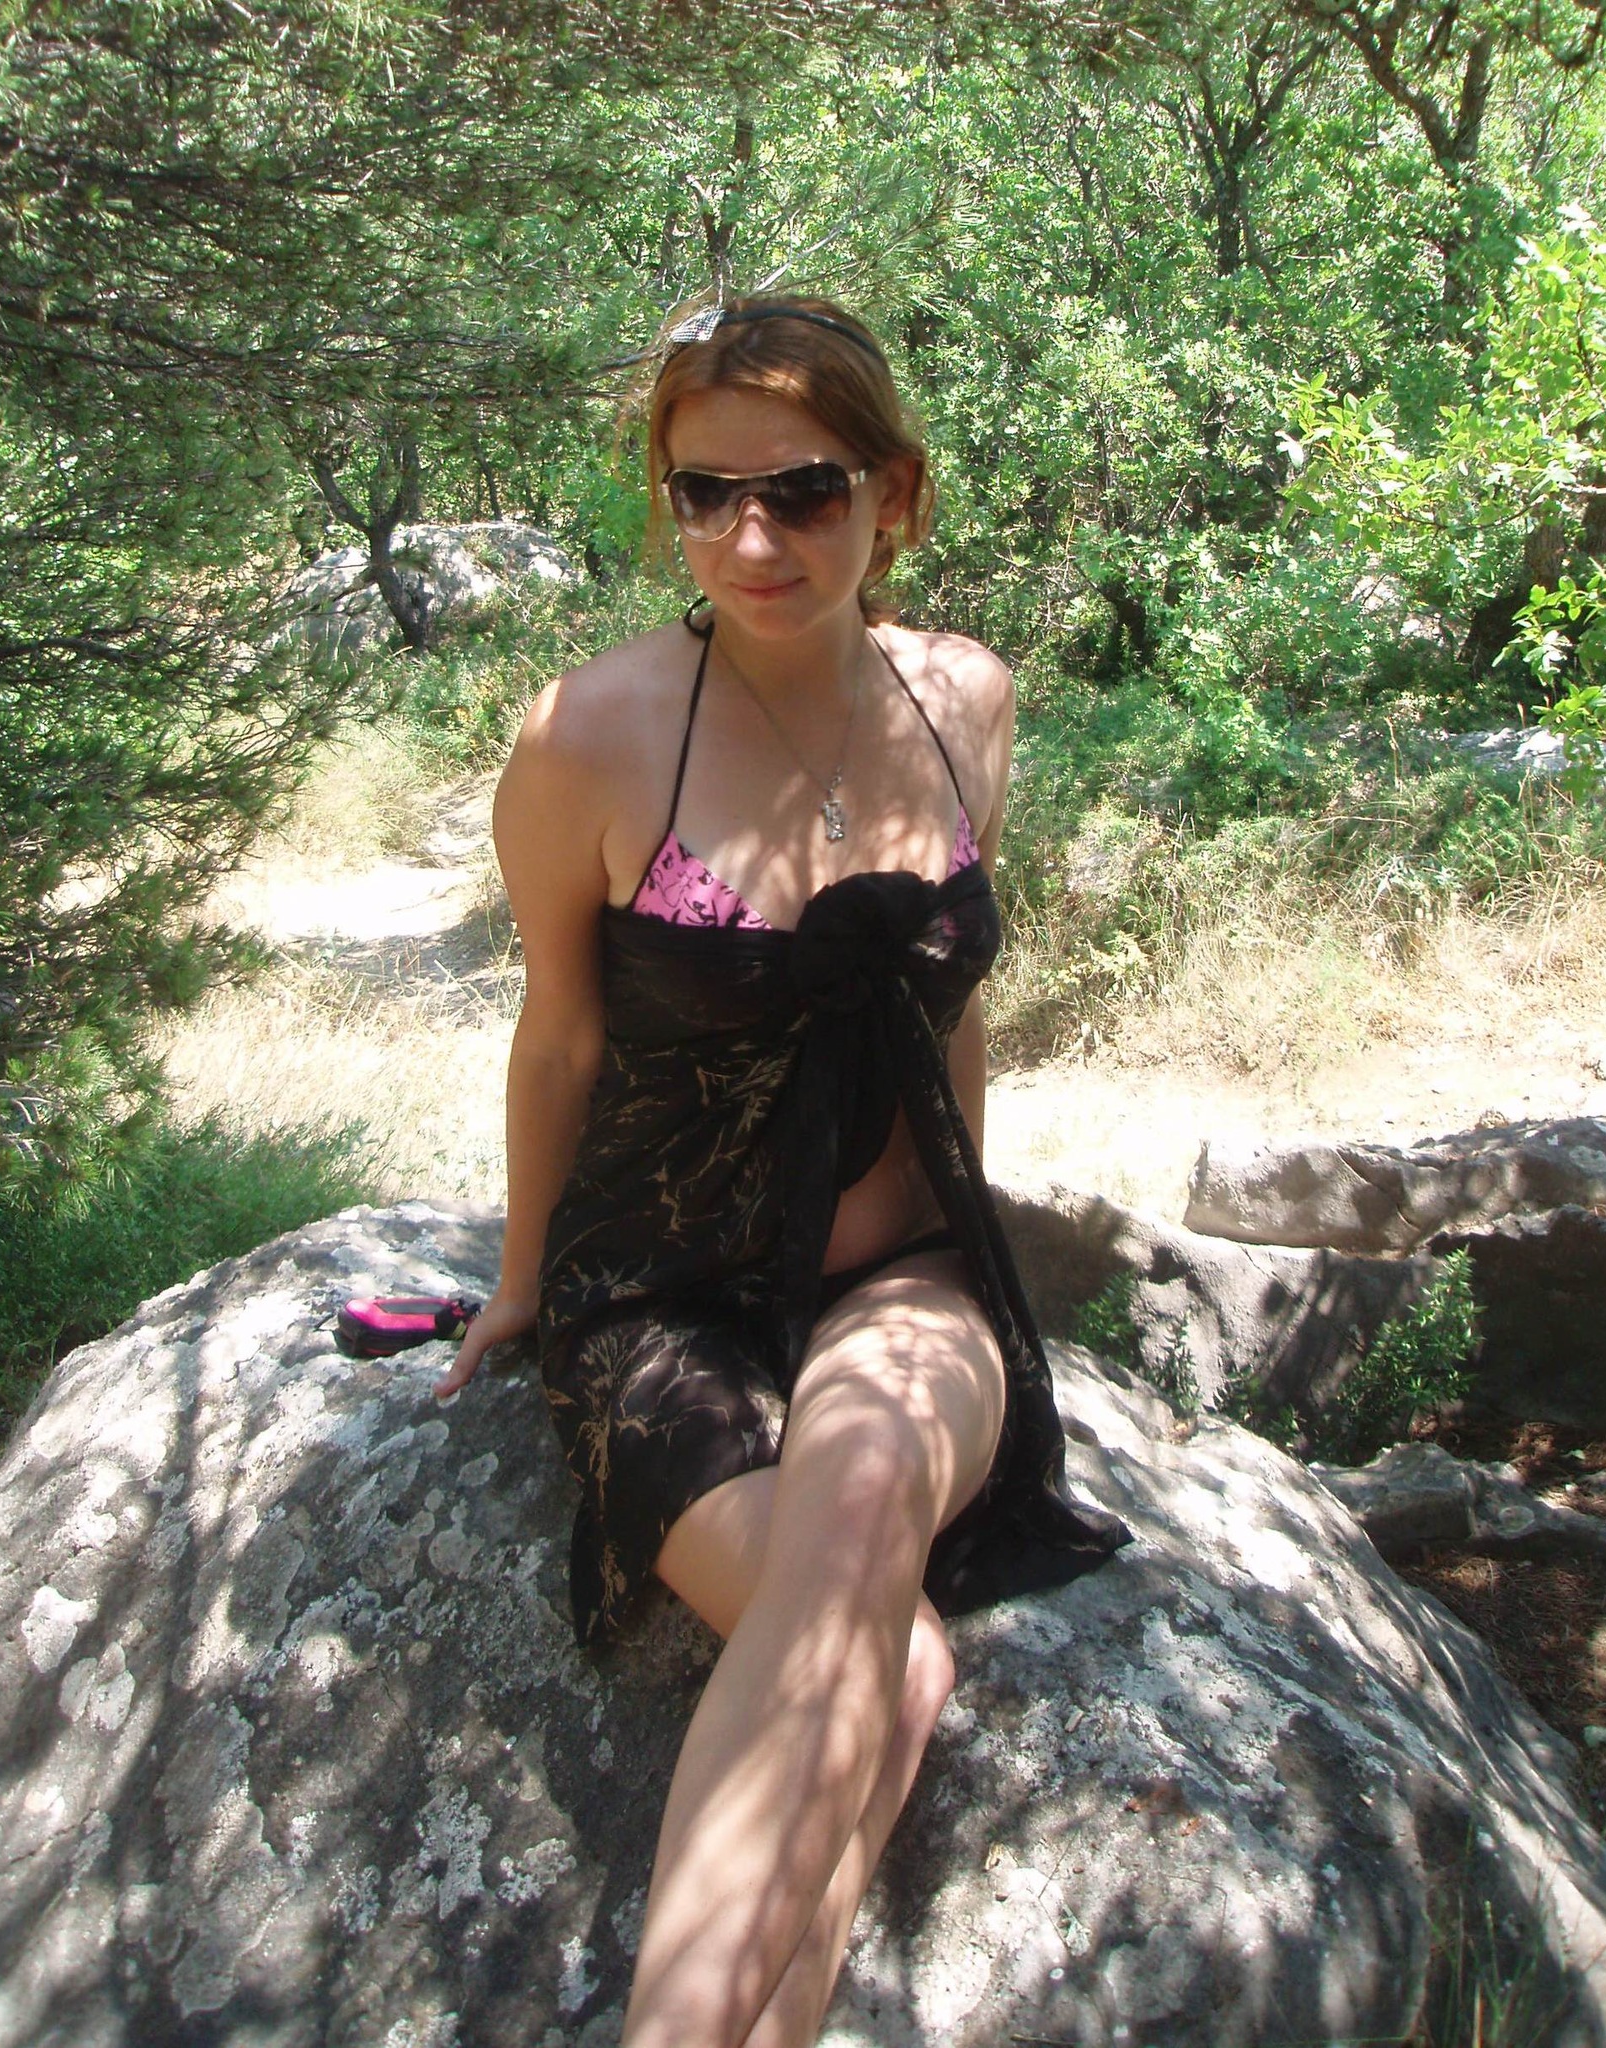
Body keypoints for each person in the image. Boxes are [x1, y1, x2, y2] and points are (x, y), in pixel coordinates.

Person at [434, 295, 1130, 2048]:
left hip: (902, 1279)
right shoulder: (591, 736)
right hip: (660, 1291)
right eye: (705, 494)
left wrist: (972, 1238)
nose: (752, 540)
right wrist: (522, 1287)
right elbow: (559, 1040)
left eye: (804, 491)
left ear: (894, 495)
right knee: (887, 1660)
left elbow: (949, 1010)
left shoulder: (965, 701)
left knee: (861, 1515)